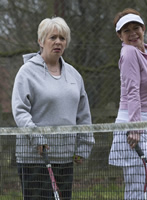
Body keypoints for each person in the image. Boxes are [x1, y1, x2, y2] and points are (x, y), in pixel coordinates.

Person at [12, 17, 95, 200]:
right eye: (52, 37)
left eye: (62, 38)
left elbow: (83, 114)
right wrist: (37, 138)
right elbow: (20, 111)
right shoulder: (26, 72)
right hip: (34, 159)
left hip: (64, 157)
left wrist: (84, 146)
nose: (58, 42)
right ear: (41, 41)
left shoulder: (74, 75)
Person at [108, 8, 147, 200]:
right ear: (120, 35)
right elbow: (132, 91)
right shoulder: (129, 53)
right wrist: (135, 127)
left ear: (143, 28)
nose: (133, 33)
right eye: (127, 31)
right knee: (138, 191)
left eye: (136, 28)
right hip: (134, 128)